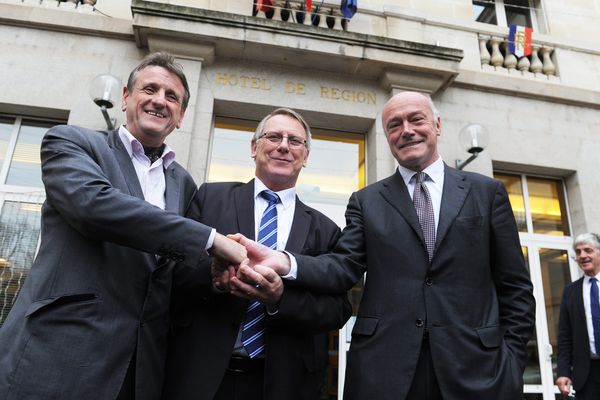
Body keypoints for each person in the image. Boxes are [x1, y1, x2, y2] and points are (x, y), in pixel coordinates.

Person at [234, 91, 536, 399]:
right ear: (387, 136)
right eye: (394, 125)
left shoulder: (487, 193)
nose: (406, 130)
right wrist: (284, 261)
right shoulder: (367, 202)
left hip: (477, 370)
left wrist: (512, 362)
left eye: (416, 119)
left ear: (437, 125)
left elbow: (516, 288)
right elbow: (342, 266)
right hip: (386, 373)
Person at [0, 52, 245, 400]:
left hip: (139, 371)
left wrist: (215, 275)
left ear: (181, 116)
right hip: (57, 356)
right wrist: (210, 239)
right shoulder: (72, 142)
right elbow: (94, 206)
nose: (160, 101)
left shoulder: (184, 184)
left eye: (171, 96)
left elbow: (169, 270)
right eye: (151, 89)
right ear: (127, 96)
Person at [162, 108, 351, 400]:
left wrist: (280, 300)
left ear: (306, 155)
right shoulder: (210, 197)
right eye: (274, 136)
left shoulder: (325, 229)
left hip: (283, 382)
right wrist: (214, 278)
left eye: (295, 141)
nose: (284, 146)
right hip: (202, 374)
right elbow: (173, 271)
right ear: (254, 147)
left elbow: (338, 310)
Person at [556, 233, 600, 399]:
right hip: (586, 376)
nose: (582, 256)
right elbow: (565, 336)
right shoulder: (570, 292)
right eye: (578, 252)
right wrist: (563, 372)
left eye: (587, 250)